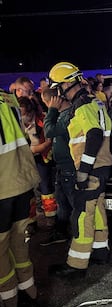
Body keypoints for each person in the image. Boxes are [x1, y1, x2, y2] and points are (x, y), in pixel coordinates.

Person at [47, 61, 112, 279]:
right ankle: (101, 251)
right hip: (102, 165)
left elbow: (93, 134)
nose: (56, 91)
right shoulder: (94, 101)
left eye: (57, 86)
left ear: (66, 84)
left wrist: (83, 170)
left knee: (82, 214)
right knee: (98, 209)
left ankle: (76, 265)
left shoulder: (82, 105)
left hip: (91, 168)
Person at [0, 90, 41, 307]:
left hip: (2, 189)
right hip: (22, 182)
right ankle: (31, 294)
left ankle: (11, 303)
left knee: (0, 251)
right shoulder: (8, 99)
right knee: (19, 243)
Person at [41, 87, 75, 246]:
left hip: (70, 167)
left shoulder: (67, 115)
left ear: (54, 100)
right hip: (62, 167)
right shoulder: (61, 115)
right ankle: (61, 232)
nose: (47, 107)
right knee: (62, 203)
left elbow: (49, 131)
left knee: (74, 204)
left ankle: (81, 236)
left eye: (47, 103)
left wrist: (51, 111)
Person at [18, 96, 57, 229]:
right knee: (29, 192)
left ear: (30, 111)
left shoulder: (42, 120)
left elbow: (49, 141)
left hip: (42, 158)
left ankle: (51, 218)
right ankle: (31, 222)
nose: (24, 117)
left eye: (25, 114)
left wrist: (36, 149)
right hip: (25, 160)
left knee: (46, 189)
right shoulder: (16, 123)